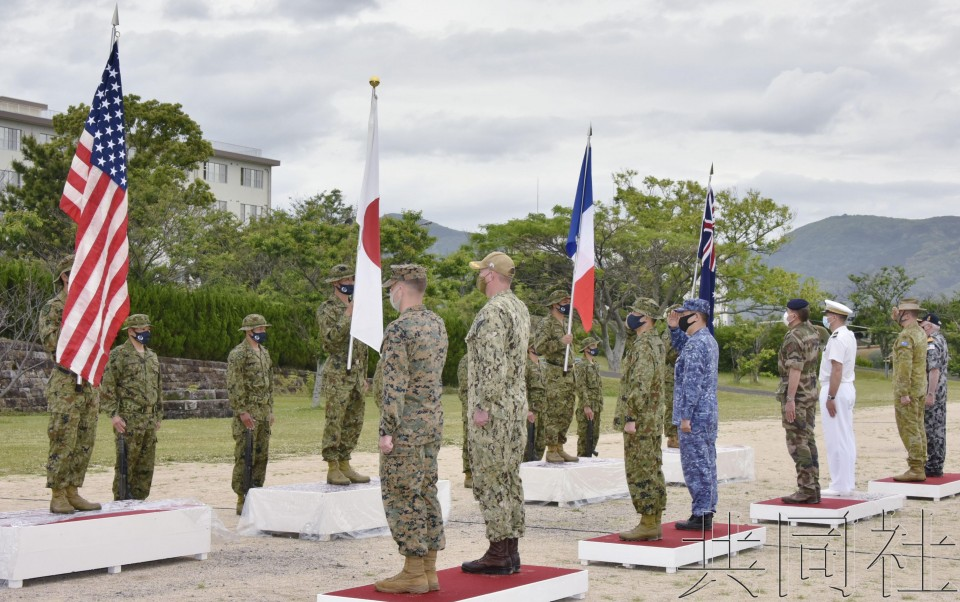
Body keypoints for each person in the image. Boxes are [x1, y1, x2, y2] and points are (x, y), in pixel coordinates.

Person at [374, 265, 449, 594]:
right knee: (426, 492)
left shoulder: (399, 328)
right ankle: (429, 570)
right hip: (431, 425)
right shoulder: (437, 323)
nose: (390, 292)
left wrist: (386, 430)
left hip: (405, 427)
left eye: (391, 287)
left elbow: (394, 384)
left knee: (403, 495)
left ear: (400, 288)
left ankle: (413, 571)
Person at [461, 251, 530, 575]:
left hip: (495, 411)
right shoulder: (518, 307)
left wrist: (482, 406)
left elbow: (492, 364)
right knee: (509, 477)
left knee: (491, 479)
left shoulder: (493, 311)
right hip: (515, 408)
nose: (479, 277)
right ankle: (511, 548)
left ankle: (499, 552)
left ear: (490, 274)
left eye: (481, 272)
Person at [41, 255, 101, 514]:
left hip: (87, 382)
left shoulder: (90, 308)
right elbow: (53, 346)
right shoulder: (53, 308)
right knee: (63, 439)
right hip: (65, 383)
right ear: (65, 276)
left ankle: (73, 490)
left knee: (84, 440)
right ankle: (58, 493)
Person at [615, 298, 666, 541]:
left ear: (645, 318)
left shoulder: (645, 345)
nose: (630, 316)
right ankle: (653, 520)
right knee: (653, 467)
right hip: (652, 418)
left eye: (635, 312)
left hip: (642, 420)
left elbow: (641, 383)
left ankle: (648, 522)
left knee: (641, 469)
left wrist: (630, 416)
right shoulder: (654, 342)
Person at [667, 298, 719, 530]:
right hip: (705, 413)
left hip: (696, 414)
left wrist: (685, 416)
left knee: (696, 464)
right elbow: (682, 349)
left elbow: (692, 382)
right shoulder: (703, 340)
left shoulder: (698, 344)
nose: (681, 317)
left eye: (684, 313)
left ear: (696, 316)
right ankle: (705, 510)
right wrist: (673, 329)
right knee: (706, 462)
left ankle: (701, 514)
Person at [316, 264, 370, 486]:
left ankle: (345, 462)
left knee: (354, 420)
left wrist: (365, 375)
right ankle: (332, 466)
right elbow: (330, 341)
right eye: (346, 280)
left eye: (352, 279)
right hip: (338, 373)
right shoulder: (326, 309)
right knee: (335, 420)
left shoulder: (360, 306)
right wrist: (347, 314)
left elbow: (362, 344)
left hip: (356, 374)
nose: (351, 284)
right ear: (336, 284)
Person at [100, 314, 162, 500]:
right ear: (130, 331)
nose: (146, 332)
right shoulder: (118, 355)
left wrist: (158, 414)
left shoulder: (152, 356)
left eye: (147, 329)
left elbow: (158, 387)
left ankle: (140, 502)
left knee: (145, 466)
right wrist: (113, 415)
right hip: (129, 419)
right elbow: (108, 386)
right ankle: (121, 504)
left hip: (149, 420)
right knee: (126, 464)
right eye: (142, 329)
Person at [228, 314, 274, 515]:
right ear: (249, 331)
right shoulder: (238, 354)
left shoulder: (264, 353)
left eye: (264, 329)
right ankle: (242, 496)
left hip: (263, 413)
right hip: (248, 414)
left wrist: (270, 409)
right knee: (245, 455)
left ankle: (256, 494)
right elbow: (234, 384)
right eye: (260, 329)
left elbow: (269, 383)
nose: (263, 332)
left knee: (261, 456)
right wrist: (242, 411)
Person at [777, 299, 822, 504]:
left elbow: (795, 369)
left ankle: (806, 488)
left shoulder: (794, 337)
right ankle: (814, 486)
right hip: (811, 391)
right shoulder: (812, 331)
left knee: (798, 442)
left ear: (794, 315)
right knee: (808, 439)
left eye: (787, 312)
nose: (786, 315)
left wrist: (790, 400)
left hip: (800, 395)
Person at [818, 300, 858, 496]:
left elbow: (837, 368)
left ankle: (839, 484)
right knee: (845, 436)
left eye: (827, 315)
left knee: (836, 438)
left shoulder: (837, 338)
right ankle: (847, 481)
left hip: (837, 389)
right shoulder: (848, 335)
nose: (825, 318)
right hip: (846, 388)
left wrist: (831, 396)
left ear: (833, 317)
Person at [533, 290, 578, 463]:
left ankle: (560, 446)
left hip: (567, 373)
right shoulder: (547, 323)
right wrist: (560, 343)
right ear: (554, 304)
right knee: (553, 411)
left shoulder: (566, 323)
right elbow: (540, 347)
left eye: (568, 300)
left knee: (566, 412)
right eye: (564, 301)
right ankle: (551, 449)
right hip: (554, 373)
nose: (567, 303)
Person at [890, 299, 928, 482]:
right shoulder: (919, 332)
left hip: (909, 391)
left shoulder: (906, 337)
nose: (896, 315)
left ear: (906, 314)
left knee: (909, 428)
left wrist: (903, 392)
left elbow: (905, 366)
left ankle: (915, 467)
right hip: (920, 388)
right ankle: (920, 463)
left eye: (899, 312)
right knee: (918, 427)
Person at [920, 312, 949, 478]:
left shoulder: (932, 342)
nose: (922, 330)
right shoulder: (942, 339)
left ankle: (933, 465)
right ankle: (936, 464)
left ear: (929, 326)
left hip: (934, 390)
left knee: (932, 429)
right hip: (942, 390)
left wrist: (930, 393)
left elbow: (934, 369)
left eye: (923, 327)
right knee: (939, 428)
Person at [574, 336, 604, 457]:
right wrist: (586, 406)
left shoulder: (595, 364)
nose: (596, 348)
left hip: (597, 405)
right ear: (586, 349)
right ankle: (582, 460)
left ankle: (589, 460)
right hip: (587, 406)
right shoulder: (582, 365)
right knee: (584, 437)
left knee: (594, 435)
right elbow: (581, 386)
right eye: (593, 346)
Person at [526, 339, 547, 462]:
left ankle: (537, 463)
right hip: (532, 409)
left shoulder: (542, 365)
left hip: (543, 408)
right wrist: (528, 409)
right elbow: (523, 387)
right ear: (529, 348)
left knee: (541, 440)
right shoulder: (526, 365)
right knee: (529, 440)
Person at [457, 354, 472, 488]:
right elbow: (464, 387)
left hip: (486, 408)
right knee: (469, 439)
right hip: (470, 407)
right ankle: (469, 474)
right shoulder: (466, 360)